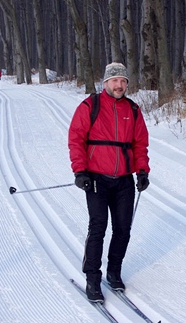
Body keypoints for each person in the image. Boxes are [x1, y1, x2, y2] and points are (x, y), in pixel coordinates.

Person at [68, 62, 150, 302]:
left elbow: (140, 144)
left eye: (123, 81)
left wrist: (142, 171)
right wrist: (80, 171)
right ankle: (93, 278)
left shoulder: (132, 110)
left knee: (123, 229)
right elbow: (76, 139)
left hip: (123, 179)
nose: (120, 85)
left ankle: (114, 271)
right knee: (98, 228)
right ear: (105, 83)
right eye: (115, 80)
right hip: (96, 179)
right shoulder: (90, 106)